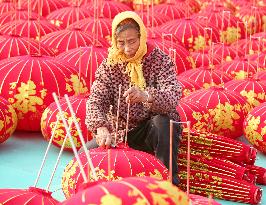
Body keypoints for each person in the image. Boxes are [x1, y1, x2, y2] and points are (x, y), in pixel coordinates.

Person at [84, 11, 183, 185]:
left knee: (163, 122)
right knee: (85, 156)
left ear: (141, 36)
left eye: (132, 41)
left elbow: (173, 94)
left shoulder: (159, 60)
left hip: (152, 130)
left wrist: (146, 96)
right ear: (114, 41)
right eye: (121, 43)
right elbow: (96, 99)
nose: (127, 49)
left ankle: (168, 182)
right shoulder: (110, 65)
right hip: (121, 131)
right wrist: (101, 128)